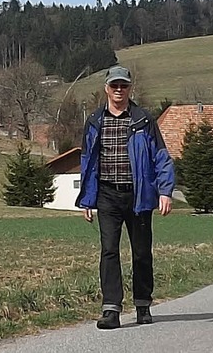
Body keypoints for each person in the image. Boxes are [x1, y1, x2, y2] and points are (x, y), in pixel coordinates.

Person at [75, 65, 175, 330]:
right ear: (106, 88)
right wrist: (87, 198)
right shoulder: (95, 120)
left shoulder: (144, 120)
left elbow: (161, 157)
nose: (119, 90)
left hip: (138, 195)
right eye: (114, 86)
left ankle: (142, 303)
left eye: (123, 86)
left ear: (130, 88)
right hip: (108, 195)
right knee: (109, 251)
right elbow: (87, 161)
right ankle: (111, 309)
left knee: (141, 252)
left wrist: (165, 191)